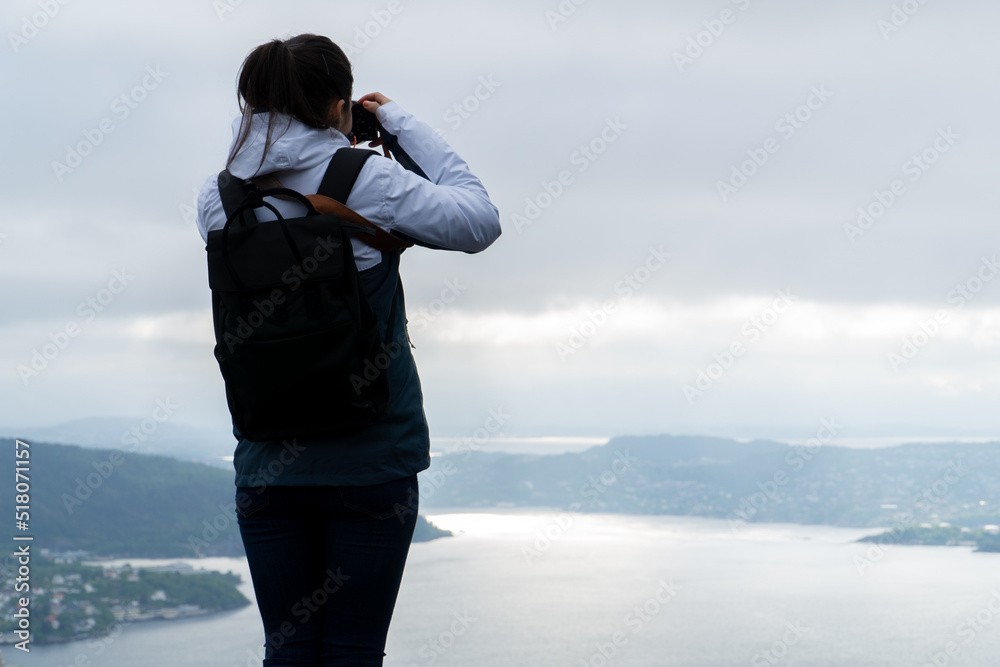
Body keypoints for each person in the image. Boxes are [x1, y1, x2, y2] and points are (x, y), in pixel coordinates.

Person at [195, 33, 501, 666]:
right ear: (340, 104)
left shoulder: (217, 200)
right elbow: (478, 221)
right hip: (370, 460)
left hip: (267, 467)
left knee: (288, 652)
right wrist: (394, 120)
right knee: (354, 653)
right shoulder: (366, 178)